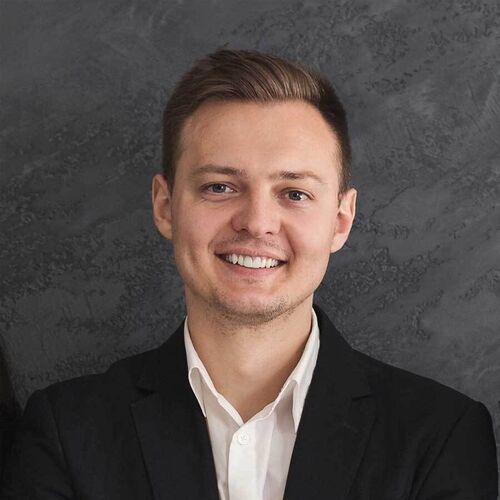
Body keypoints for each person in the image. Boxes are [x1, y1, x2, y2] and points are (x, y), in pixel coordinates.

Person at [1, 48, 497, 500]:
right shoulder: (67, 431)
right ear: (165, 206)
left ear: (340, 221)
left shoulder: (441, 437)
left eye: (294, 193)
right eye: (220, 187)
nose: (257, 222)